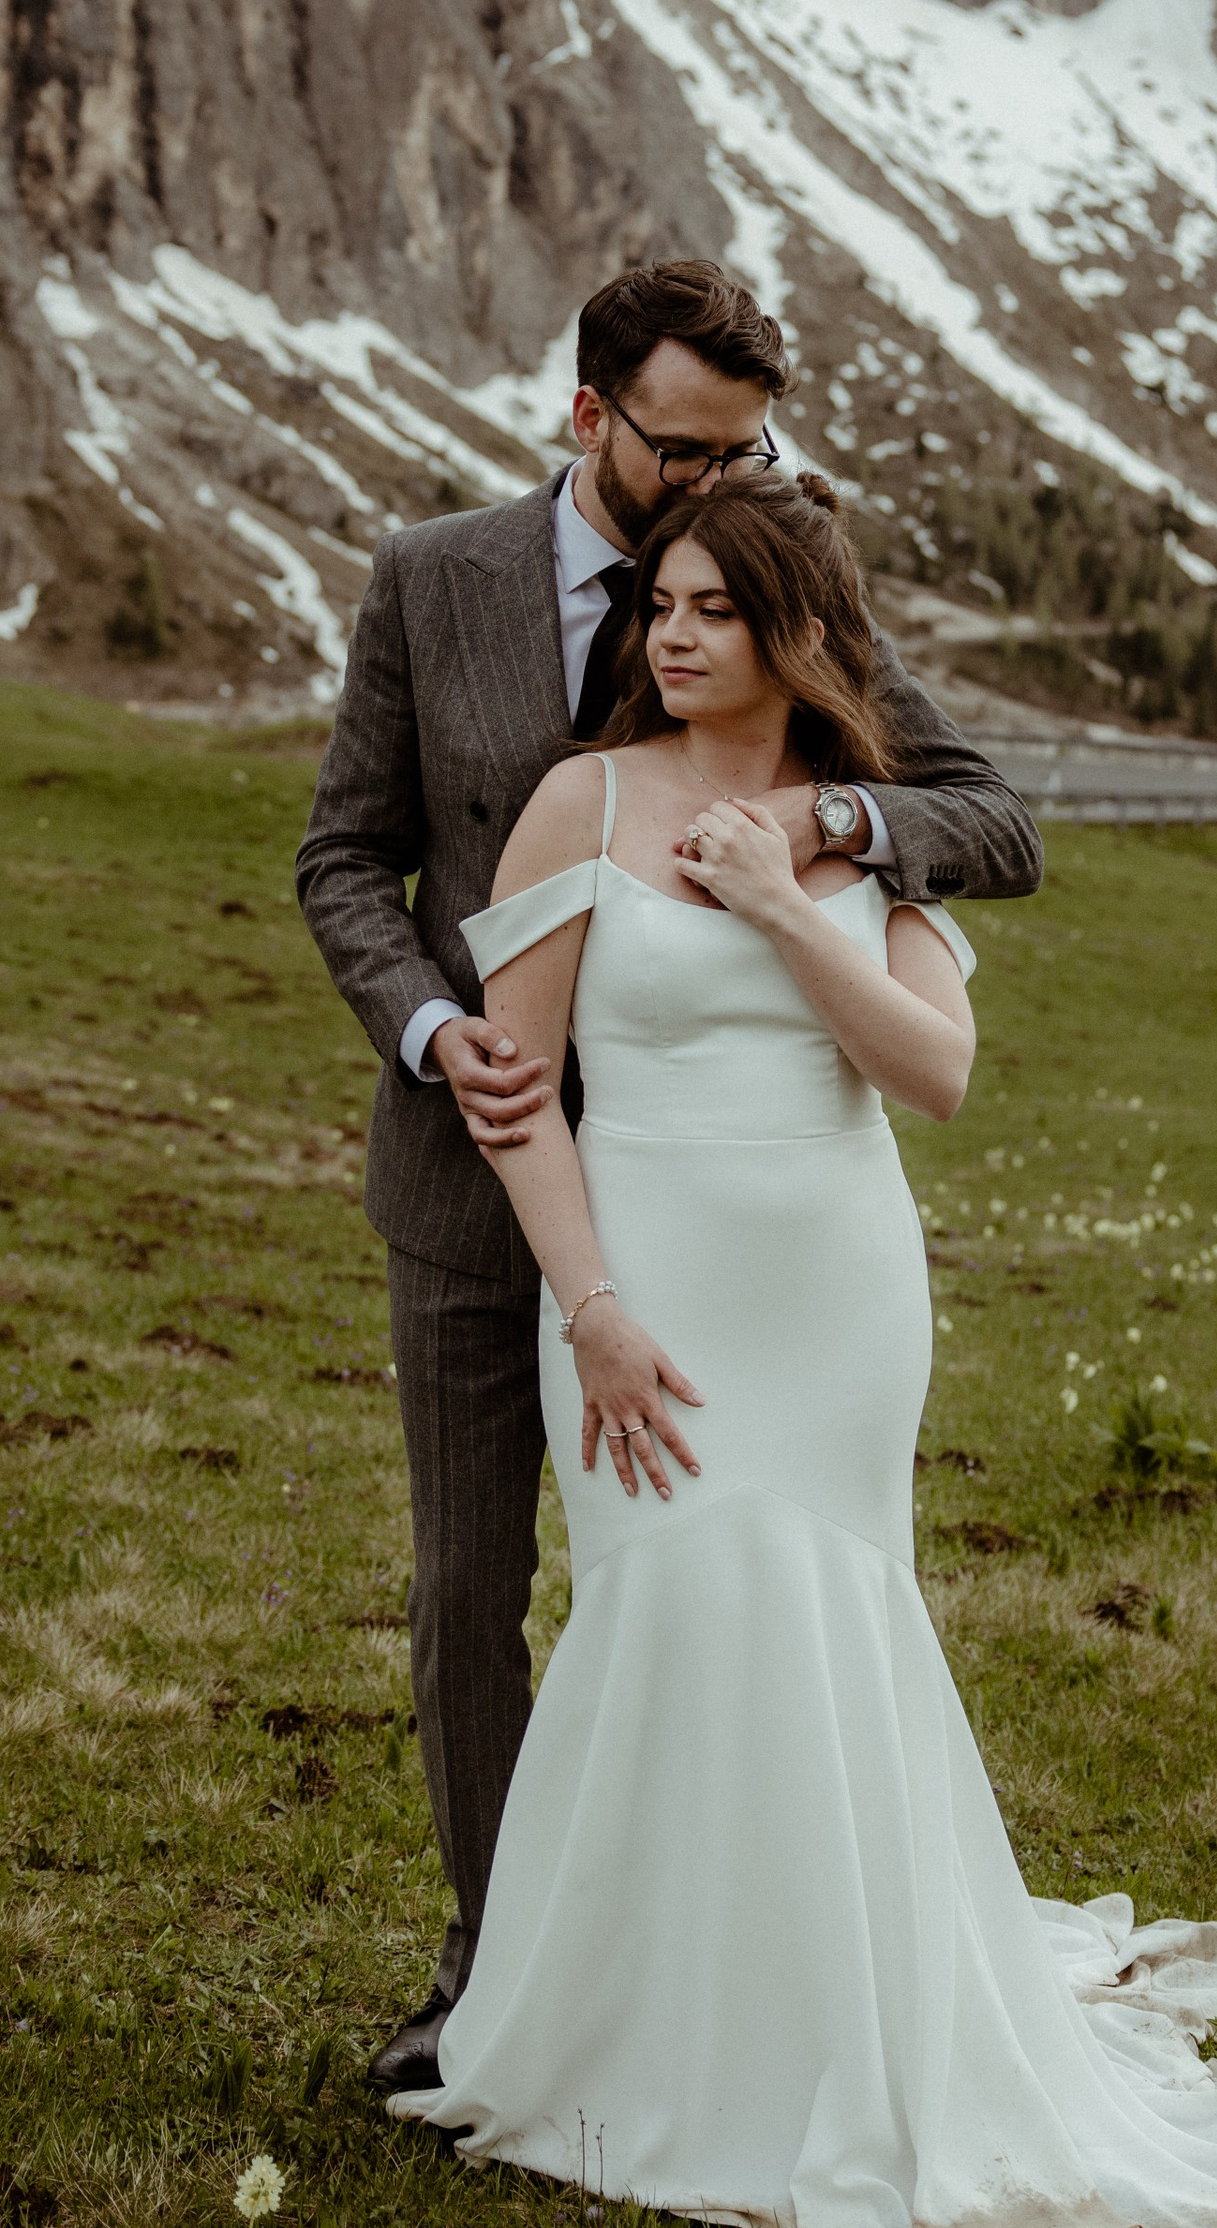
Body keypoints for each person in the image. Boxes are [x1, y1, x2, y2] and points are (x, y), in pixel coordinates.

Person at [388, 469, 1217, 2228]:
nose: (669, 637)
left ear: (791, 633)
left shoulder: (875, 830)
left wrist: (781, 895)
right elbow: (515, 1096)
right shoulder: (580, 801)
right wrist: (586, 1301)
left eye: (709, 613)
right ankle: (630, 2030)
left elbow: (934, 1072)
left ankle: (834, 2021)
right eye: (655, 607)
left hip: (834, 1294)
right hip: (641, 1287)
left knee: (831, 1622)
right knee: (667, 1612)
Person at [296, 259, 1042, 2093]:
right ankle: (501, 1972)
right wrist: (430, 1028)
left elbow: (986, 816)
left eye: (748, 448)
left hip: (762, 1228)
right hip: (486, 1185)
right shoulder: (434, 582)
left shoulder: (773, 591)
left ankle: (773, 1975)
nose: (715, 480)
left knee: (757, 1604)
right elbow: (343, 861)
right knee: (476, 1587)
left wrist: (821, 822)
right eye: (684, 449)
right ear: (590, 419)